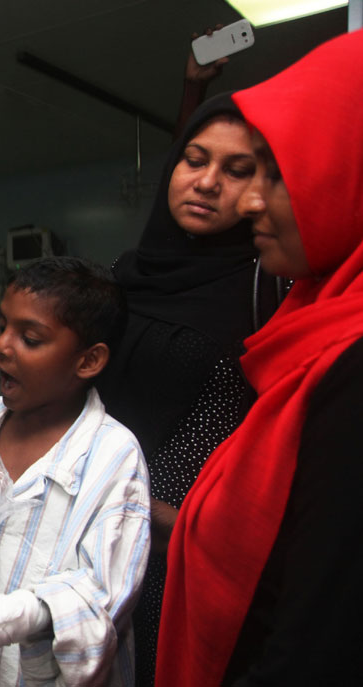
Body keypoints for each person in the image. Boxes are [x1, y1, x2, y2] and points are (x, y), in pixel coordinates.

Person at [156, 29, 363, 687]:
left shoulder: (349, 367)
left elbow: (314, 647)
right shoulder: (316, 312)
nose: (247, 202)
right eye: (194, 160)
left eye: (272, 171)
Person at [95, 88, 286, 686]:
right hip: (91, 528)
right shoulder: (124, 275)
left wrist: (177, 520)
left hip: (184, 546)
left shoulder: (269, 289)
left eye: (237, 170)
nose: (206, 183)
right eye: (194, 160)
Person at [0, 256, 151, 686]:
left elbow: (102, 598)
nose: (2, 345)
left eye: (30, 338)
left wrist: (10, 618)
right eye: (1, 326)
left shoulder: (114, 456)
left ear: (88, 361)